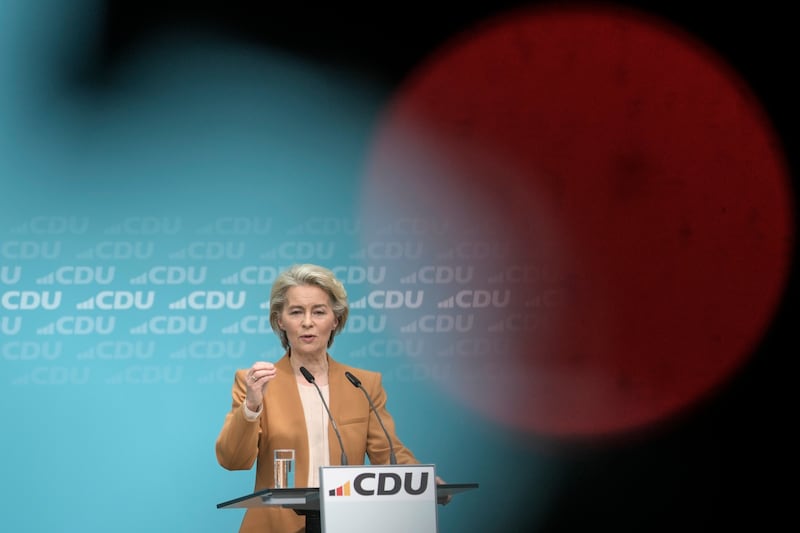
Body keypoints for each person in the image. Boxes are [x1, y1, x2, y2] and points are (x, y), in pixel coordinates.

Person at [216, 263, 444, 533]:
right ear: (280, 320)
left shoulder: (362, 385)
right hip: (274, 526)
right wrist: (252, 405)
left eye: (319, 312)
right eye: (296, 312)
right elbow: (232, 459)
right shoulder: (256, 382)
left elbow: (389, 455)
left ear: (336, 319)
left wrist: (423, 481)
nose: (307, 322)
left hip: (345, 524)